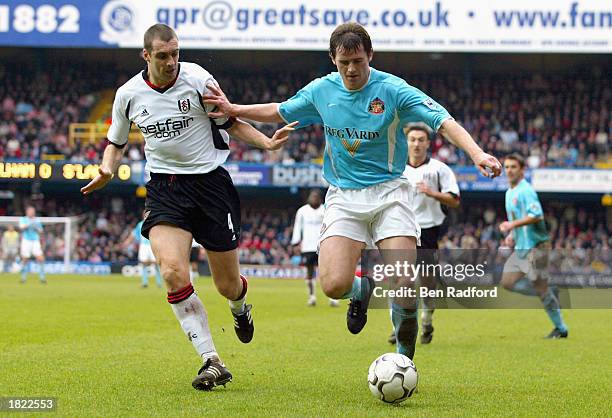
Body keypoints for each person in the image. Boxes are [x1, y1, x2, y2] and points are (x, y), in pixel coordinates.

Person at [204, 22, 501, 360]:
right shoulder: (322, 91)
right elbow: (279, 110)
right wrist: (234, 109)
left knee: (404, 285)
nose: (351, 69)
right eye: (344, 62)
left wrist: (477, 153)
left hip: (390, 194)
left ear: (370, 56)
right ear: (333, 59)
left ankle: (404, 358)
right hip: (344, 197)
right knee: (333, 285)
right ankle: (363, 290)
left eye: (358, 61)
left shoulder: (393, 89)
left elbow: (442, 120)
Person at [81, 23, 296, 391]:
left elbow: (231, 121)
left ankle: (240, 309)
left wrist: (268, 144)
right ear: (146, 56)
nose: (171, 62)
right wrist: (107, 168)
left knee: (227, 285)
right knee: (172, 272)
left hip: (211, 185)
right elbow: (115, 142)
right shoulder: (128, 94)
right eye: (162, 56)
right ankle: (211, 360)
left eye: (175, 53)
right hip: (166, 188)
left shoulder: (198, 80)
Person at [388, 124, 460, 345]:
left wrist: (432, 193)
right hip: (401, 228)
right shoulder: (396, 168)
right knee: (397, 279)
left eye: (421, 140)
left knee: (427, 283)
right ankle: (398, 327)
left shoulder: (440, 169)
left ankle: (427, 321)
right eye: (412, 139)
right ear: (406, 142)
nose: (416, 144)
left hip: (428, 230)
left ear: (428, 143)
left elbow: (455, 200)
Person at [499, 154, 568, 339]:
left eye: (513, 167)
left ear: (522, 170)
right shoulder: (509, 192)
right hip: (522, 246)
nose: (509, 170)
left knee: (539, 285)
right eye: (507, 167)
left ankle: (561, 328)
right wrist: (512, 235)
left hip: (538, 245)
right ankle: (550, 292)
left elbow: (536, 215)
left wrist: (512, 226)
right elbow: (516, 218)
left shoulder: (526, 190)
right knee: (507, 282)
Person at [291, 189, 339, 307]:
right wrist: (295, 243)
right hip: (307, 247)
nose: (313, 199)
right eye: (312, 196)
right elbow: (298, 227)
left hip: (323, 245)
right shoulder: (302, 211)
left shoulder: (326, 210)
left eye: (316, 197)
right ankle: (312, 297)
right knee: (309, 271)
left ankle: (332, 298)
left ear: (320, 199)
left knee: (327, 271)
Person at [122, 216, 162, 288]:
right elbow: (133, 235)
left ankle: (159, 283)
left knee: (156, 263)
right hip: (143, 246)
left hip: (153, 244)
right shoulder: (140, 224)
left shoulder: (154, 223)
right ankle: (145, 282)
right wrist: (126, 243)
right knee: (143, 263)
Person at [19, 206, 46, 284]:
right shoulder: (23, 219)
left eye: (33, 211)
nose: (32, 213)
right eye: (30, 211)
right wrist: (29, 224)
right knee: (25, 259)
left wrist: (37, 227)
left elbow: (41, 230)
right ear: (27, 212)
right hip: (26, 240)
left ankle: (42, 278)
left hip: (35, 240)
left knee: (41, 258)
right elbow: (21, 228)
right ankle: (23, 278)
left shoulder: (37, 220)